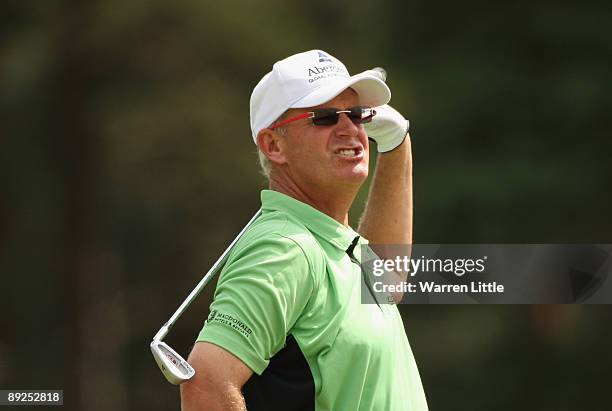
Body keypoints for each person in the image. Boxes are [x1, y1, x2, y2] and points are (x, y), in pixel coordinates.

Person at [181, 50, 428, 411]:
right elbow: (205, 386)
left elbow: (387, 280)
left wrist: (396, 144)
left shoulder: (327, 241)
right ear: (274, 145)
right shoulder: (283, 248)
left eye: (356, 114)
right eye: (325, 118)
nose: (350, 129)